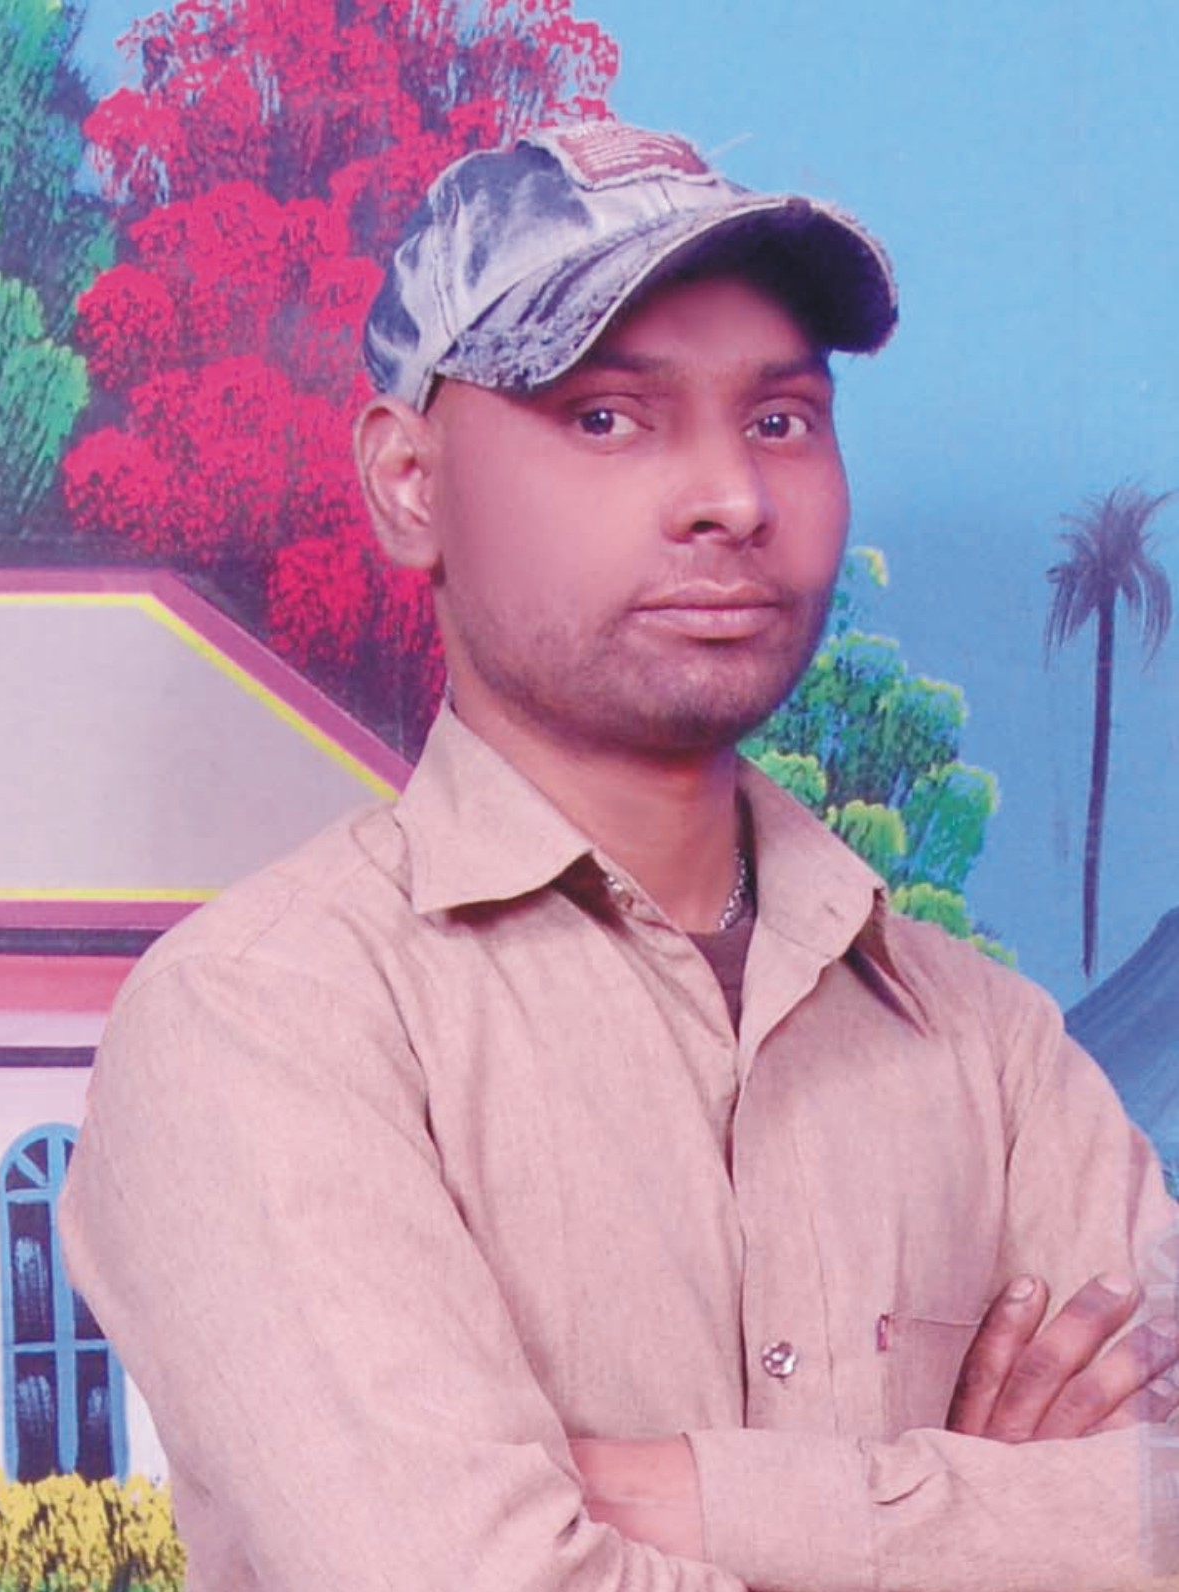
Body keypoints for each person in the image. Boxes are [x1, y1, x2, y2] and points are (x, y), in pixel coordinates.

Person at [60, 119, 1179, 1591]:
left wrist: (703, 1499)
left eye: (781, 419)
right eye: (605, 417)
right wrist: (1000, 1521)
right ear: (407, 482)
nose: (733, 497)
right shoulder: (266, 1020)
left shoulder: (993, 1047)